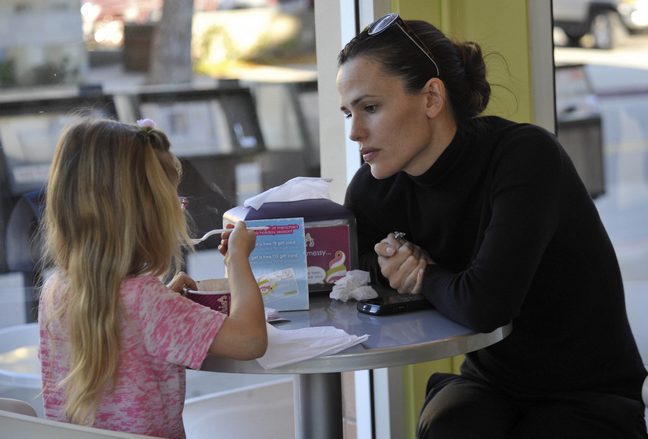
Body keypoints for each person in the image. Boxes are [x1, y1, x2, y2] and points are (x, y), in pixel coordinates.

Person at [337, 12, 647, 438]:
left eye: (370, 108)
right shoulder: (376, 190)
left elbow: (486, 305)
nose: (354, 131)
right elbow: (350, 282)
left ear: (431, 98)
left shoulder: (524, 157)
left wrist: (422, 275)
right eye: (347, 113)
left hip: (589, 394)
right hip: (491, 383)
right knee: (449, 428)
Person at [38, 117, 267, 439]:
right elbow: (250, 340)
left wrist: (164, 301)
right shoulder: (146, 302)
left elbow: (127, 329)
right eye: (173, 202)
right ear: (146, 216)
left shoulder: (55, 291)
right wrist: (239, 259)